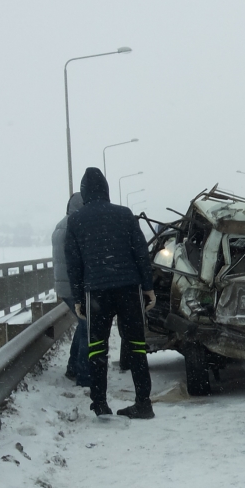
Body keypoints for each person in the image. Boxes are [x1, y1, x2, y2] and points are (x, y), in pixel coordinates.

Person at [64, 167, 156, 419]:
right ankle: (143, 402)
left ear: (84, 193)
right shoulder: (125, 214)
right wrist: (147, 287)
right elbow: (140, 253)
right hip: (128, 288)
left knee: (97, 348)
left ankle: (100, 403)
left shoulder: (76, 220)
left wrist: (79, 298)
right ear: (106, 190)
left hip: (97, 293)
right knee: (136, 345)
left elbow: (74, 265)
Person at [52, 192, 90, 386]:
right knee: (87, 327)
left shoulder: (61, 224)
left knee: (83, 324)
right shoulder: (75, 225)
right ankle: (83, 375)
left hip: (63, 285)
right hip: (74, 285)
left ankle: (73, 367)